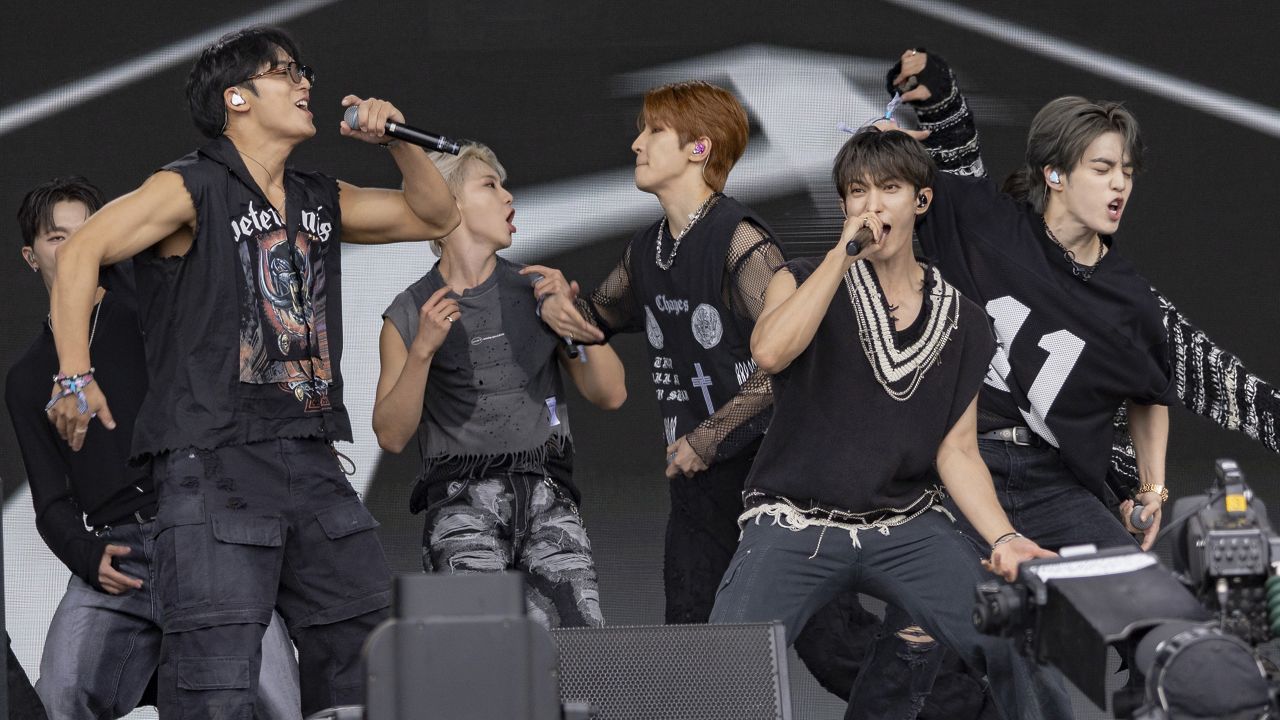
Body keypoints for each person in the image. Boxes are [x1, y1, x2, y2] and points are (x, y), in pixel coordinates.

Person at [43, 27, 459, 717]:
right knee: (216, 676)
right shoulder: (191, 186)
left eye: (304, 70)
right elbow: (85, 247)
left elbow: (432, 213)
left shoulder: (319, 195)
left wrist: (397, 141)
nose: (306, 84)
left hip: (312, 461)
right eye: (285, 72)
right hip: (216, 467)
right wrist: (72, 376)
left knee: (366, 651)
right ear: (236, 97)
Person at [707, 127, 1069, 720]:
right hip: (796, 520)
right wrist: (837, 256)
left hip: (905, 525)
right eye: (857, 191)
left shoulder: (966, 323)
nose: (872, 206)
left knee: (1018, 635)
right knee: (728, 663)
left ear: (920, 202)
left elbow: (957, 450)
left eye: (890, 188)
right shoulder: (801, 279)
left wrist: (1004, 539)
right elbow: (770, 353)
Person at [7, 176, 302, 719]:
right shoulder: (26, 377)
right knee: (62, 692)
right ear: (31, 256)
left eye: (86, 232)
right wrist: (86, 555)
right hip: (118, 553)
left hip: (200, 531)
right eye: (56, 238)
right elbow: (49, 501)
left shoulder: (149, 314)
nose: (73, 248)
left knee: (275, 700)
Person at [535, 79, 784, 626]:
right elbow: (593, 322)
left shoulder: (742, 242)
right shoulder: (648, 247)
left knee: (826, 638)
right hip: (698, 481)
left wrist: (708, 435)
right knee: (690, 631)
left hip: (772, 475)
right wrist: (557, 304)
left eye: (654, 131)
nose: (636, 144)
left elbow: (784, 366)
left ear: (699, 149)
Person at [372, 143, 627, 628]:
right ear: (448, 203)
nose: (509, 197)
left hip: (550, 498)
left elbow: (611, 393)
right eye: (490, 185)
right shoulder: (409, 312)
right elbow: (391, 435)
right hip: (461, 506)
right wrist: (423, 350)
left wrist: (572, 325)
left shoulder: (538, 289)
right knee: (484, 661)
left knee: (582, 652)